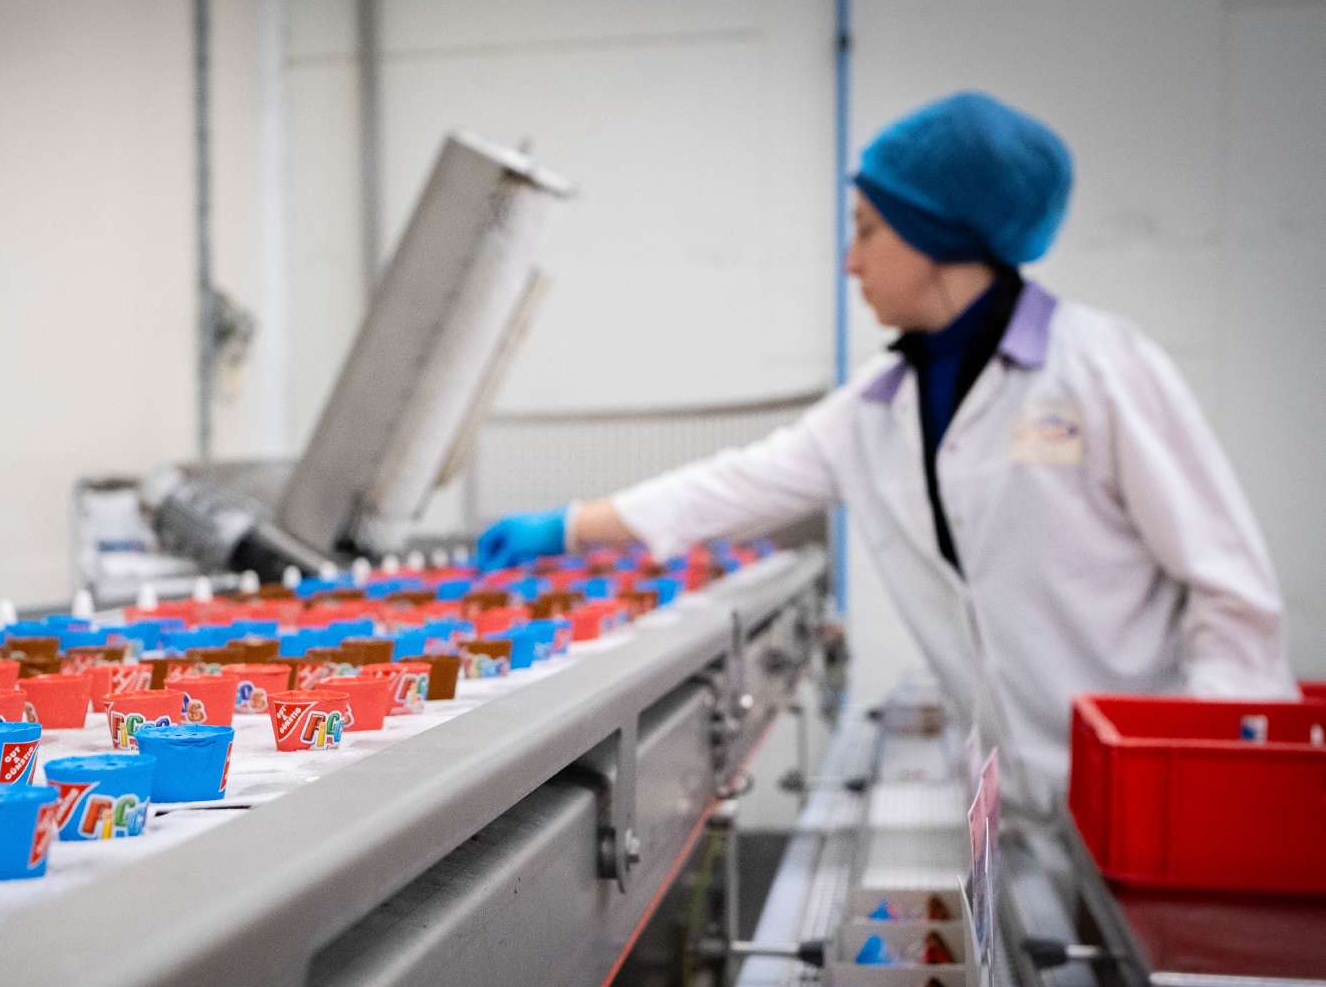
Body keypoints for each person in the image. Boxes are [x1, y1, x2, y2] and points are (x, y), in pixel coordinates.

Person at [475, 91, 1294, 816]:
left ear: (937, 238)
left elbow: (1232, 593)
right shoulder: (879, 402)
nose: (851, 260)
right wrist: (572, 526)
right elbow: (739, 483)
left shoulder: (1102, 368)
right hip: (1023, 808)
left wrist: (1206, 786)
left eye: (869, 230)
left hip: (1154, 802)